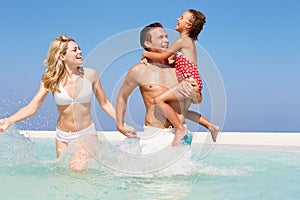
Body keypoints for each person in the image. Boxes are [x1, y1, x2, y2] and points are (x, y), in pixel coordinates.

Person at [0, 34, 134, 171]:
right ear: (62, 56)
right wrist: (8, 121)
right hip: (62, 136)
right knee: (62, 175)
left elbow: (104, 103)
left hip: (86, 134)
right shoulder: (50, 79)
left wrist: (121, 123)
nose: (80, 52)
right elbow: (32, 107)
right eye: (74, 50)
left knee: (76, 167)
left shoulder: (90, 75)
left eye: (79, 48)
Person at [116, 23, 218, 151]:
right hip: (154, 134)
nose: (167, 41)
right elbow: (122, 97)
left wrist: (196, 95)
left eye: (166, 37)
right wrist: (120, 124)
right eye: (160, 38)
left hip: (180, 134)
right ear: (148, 43)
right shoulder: (139, 71)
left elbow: (198, 100)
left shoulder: (179, 68)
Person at [141, 9, 219, 146]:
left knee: (158, 100)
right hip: (192, 82)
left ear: (189, 25)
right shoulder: (186, 43)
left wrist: (145, 54)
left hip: (188, 82)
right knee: (182, 112)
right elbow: (170, 61)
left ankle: (180, 129)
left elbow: (162, 56)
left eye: (182, 18)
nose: (178, 18)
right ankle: (211, 126)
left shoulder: (183, 41)